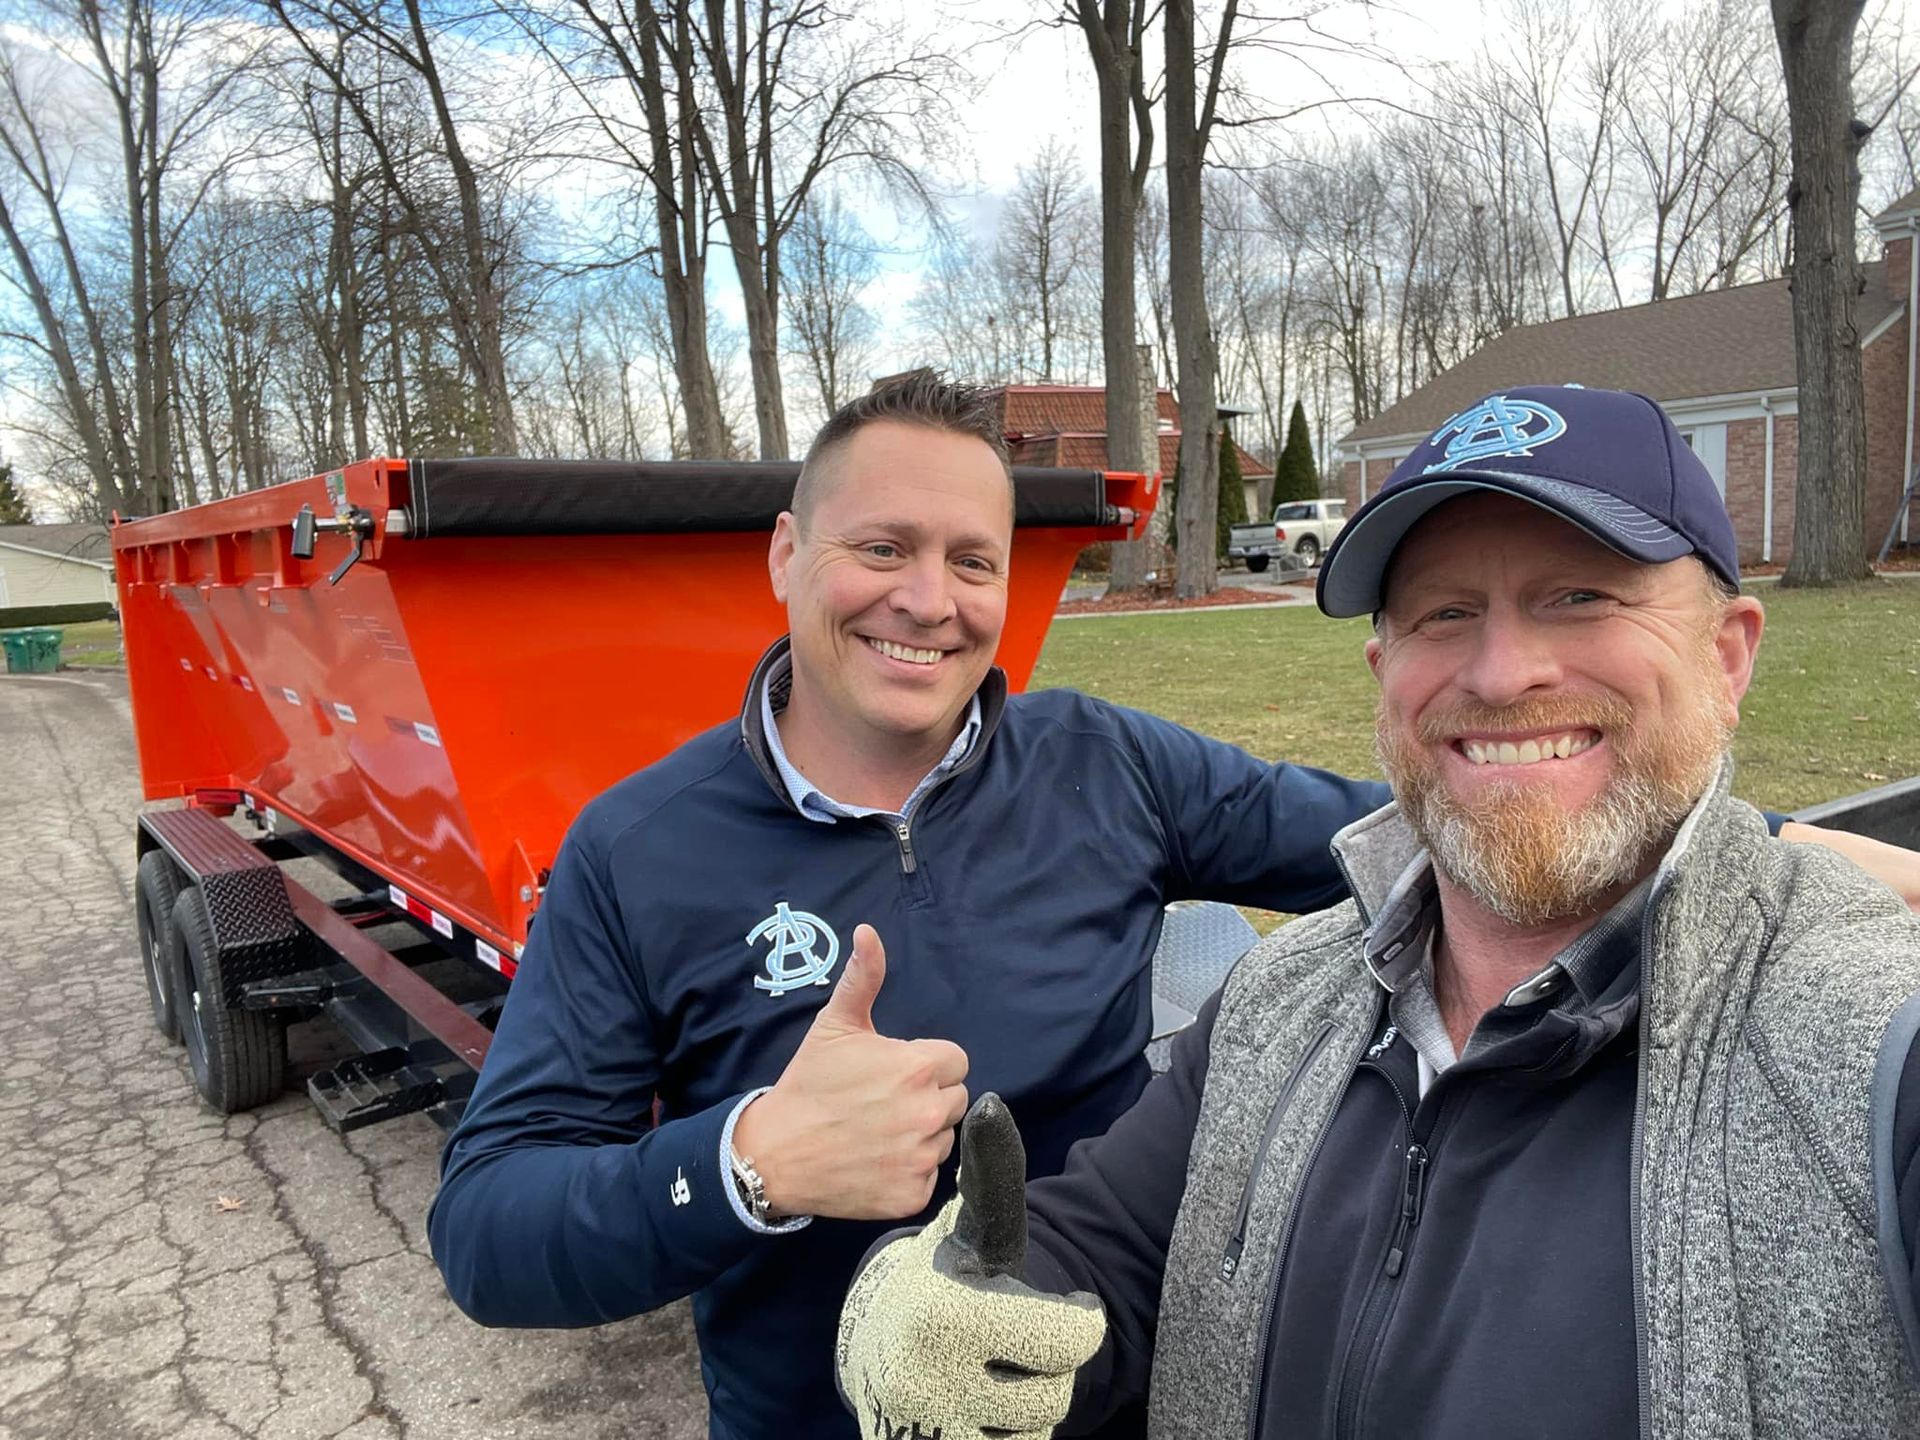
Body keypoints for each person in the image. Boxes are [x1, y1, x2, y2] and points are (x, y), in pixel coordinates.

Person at [429, 376, 1912, 1439]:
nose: (927, 600)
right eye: (880, 548)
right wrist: (751, 1160)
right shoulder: (637, 848)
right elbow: (489, 1231)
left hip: (1127, 1388)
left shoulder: (1100, 766)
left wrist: (1762, 851)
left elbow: (1457, 815)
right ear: (784, 558)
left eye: (972, 562)